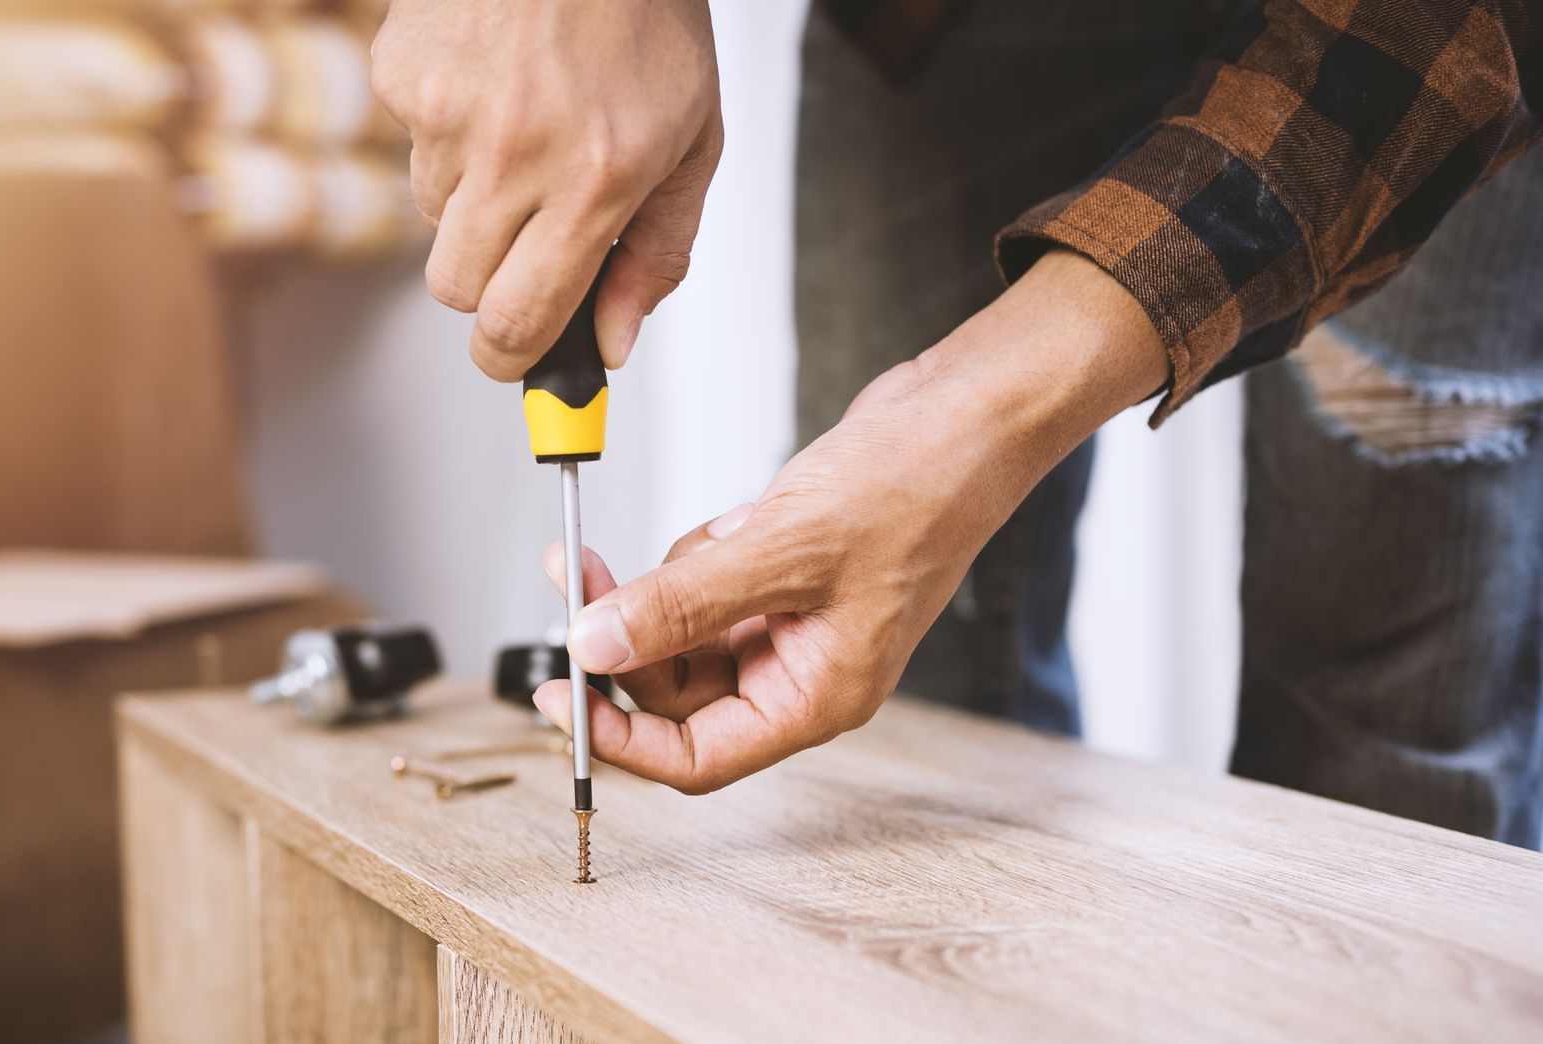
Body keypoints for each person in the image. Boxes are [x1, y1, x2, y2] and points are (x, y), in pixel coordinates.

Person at [369, 0, 1543, 843]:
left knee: (1398, 704)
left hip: (1419, 37)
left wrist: (964, 418)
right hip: (942, 21)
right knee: (905, 724)